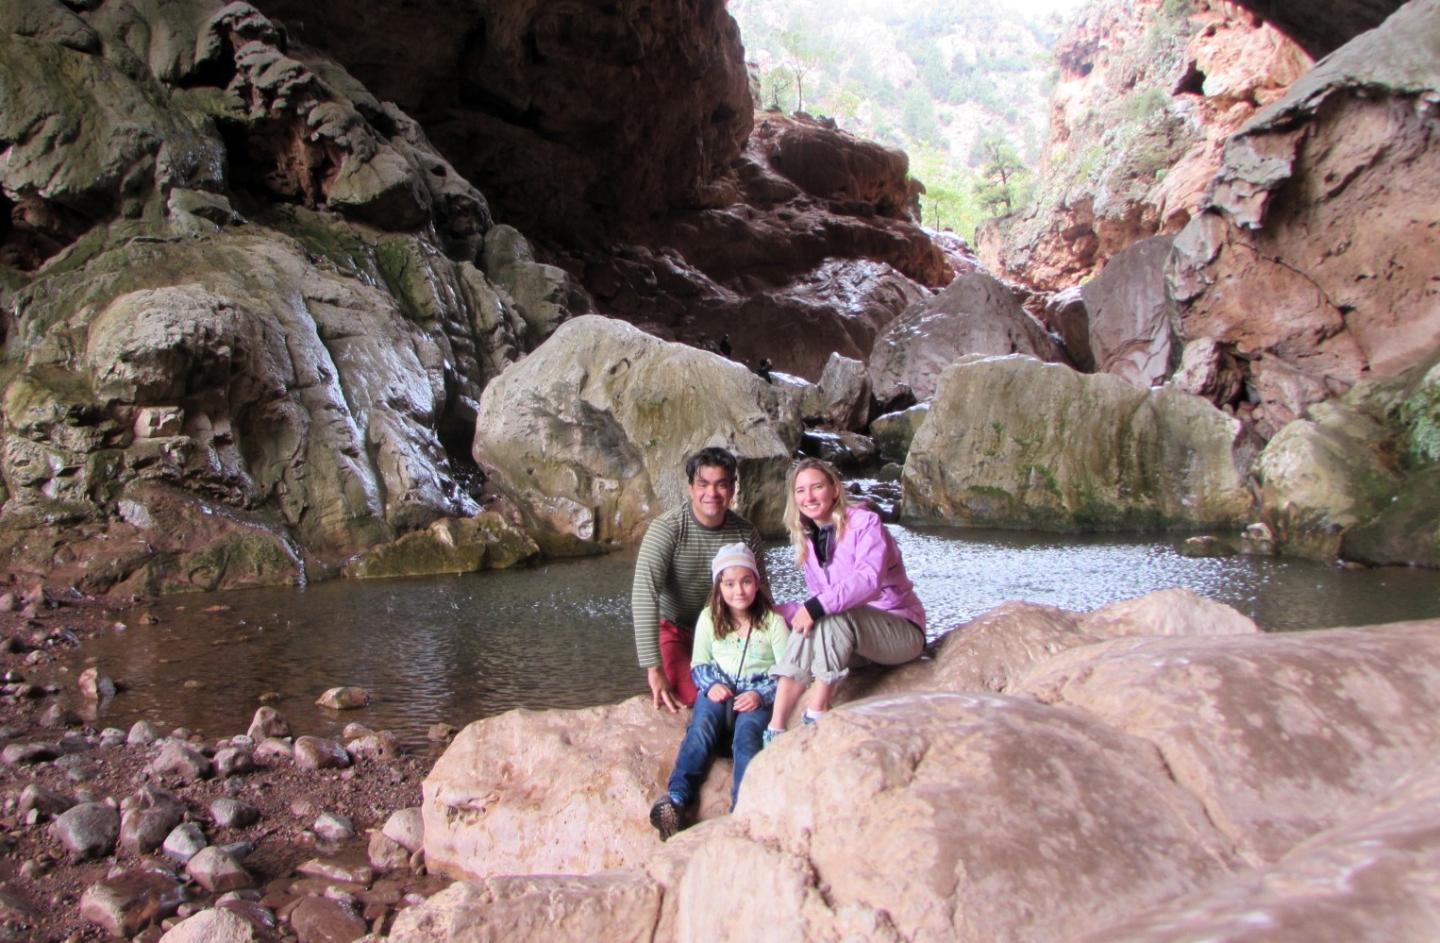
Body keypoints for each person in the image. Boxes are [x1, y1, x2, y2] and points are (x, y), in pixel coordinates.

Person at [764, 458, 925, 741]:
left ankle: (817, 711)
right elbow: (817, 600)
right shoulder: (808, 538)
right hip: (855, 645)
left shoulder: (866, 523)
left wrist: (815, 607)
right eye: (801, 491)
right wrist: (770, 612)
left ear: (834, 490)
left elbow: (868, 581)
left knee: (829, 613)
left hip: (899, 633)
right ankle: (775, 729)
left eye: (817, 487)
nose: (809, 497)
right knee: (808, 625)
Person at [649, 544, 788, 839]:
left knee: (747, 740)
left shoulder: (773, 622)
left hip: (754, 700)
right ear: (719, 586)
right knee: (700, 729)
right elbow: (699, 663)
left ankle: (742, 809)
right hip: (718, 694)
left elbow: (786, 672)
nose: (739, 590)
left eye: (746, 581)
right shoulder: (709, 618)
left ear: (757, 582)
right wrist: (711, 686)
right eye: (729, 583)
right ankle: (676, 800)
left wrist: (760, 695)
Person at [632, 447, 766, 712]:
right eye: (703, 484)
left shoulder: (746, 534)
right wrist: (654, 669)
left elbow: (763, 595)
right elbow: (644, 595)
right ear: (691, 487)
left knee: (752, 691)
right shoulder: (667, 529)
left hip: (727, 631)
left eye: (721, 485)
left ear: (733, 488)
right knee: (703, 697)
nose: (712, 494)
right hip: (675, 631)